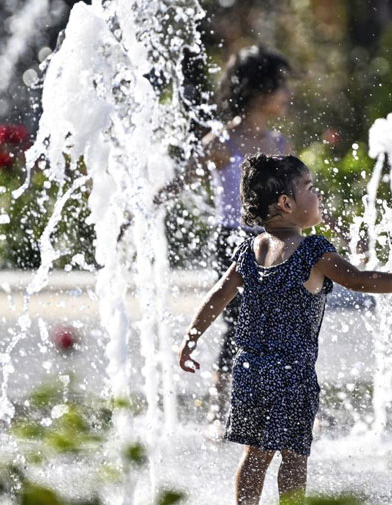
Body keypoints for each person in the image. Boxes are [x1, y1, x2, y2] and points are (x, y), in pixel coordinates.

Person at [177, 154, 392, 504]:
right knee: (294, 457)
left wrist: (191, 338)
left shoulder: (250, 249)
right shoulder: (313, 251)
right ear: (285, 203)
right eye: (310, 188)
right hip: (293, 374)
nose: (318, 195)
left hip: (250, 369)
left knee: (255, 456)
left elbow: (218, 295)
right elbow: (361, 280)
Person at [160, 46, 293, 431]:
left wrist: (334, 225)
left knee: (277, 325)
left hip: (276, 242)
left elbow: (301, 194)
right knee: (239, 325)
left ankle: (271, 403)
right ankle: (222, 408)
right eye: (281, 87)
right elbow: (179, 183)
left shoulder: (280, 145)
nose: (288, 96)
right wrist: (138, 210)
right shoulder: (223, 143)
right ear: (259, 91)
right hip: (235, 243)